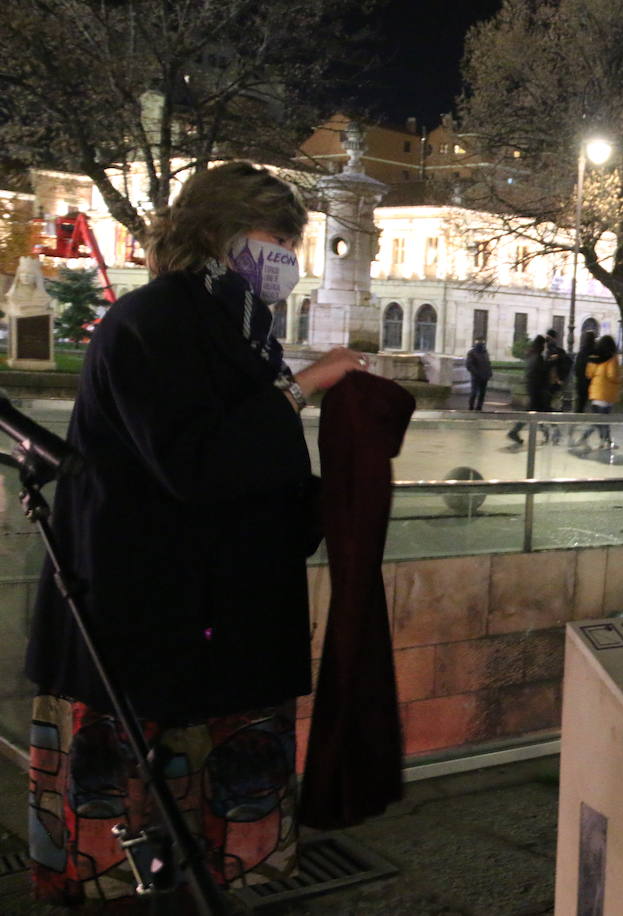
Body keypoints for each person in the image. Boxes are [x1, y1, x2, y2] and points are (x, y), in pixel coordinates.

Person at [23, 162, 367, 907]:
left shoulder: (233, 326)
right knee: (140, 822)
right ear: (223, 233)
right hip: (144, 622)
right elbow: (198, 463)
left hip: (209, 620)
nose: (290, 259)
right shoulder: (153, 321)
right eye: (279, 237)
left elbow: (246, 467)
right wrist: (303, 388)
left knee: (210, 827)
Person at [576, 335, 621, 449]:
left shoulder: (593, 358)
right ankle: (586, 438)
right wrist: (621, 379)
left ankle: (605, 442)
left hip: (595, 393)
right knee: (602, 421)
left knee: (601, 420)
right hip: (606, 394)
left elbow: (588, 374)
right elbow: (612, 375)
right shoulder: (612, 358)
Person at [508, 334, 550, 445]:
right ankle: (515, 432)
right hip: (537, 390)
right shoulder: (538, 358)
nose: (545, 347)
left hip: (532, 388)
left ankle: (515, 432)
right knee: (536, 413)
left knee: (534, 412)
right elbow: (541, 374)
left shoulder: (532, 355)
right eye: (544, 345)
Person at [465, 338, 492, 411]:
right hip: (476, 376)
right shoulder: (472, 353)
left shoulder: (485, 352)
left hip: (484, 376)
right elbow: (469, 365)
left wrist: (489, 373)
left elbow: (487, 363)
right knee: (474, 392)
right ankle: (471, 406)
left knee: (482, 393)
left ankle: (479, 407)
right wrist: (476, 373)